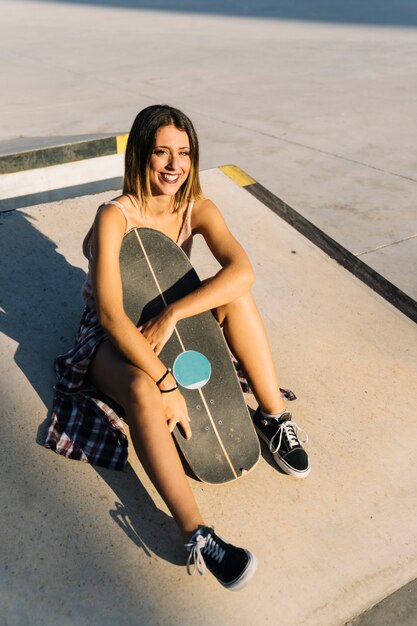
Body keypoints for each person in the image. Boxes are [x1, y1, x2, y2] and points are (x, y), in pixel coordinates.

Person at [45, 104, 309, 591]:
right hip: (112, 335)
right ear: (141, 154)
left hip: (168, 318)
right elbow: (109, 315)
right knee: (144, 393)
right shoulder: (114, 217)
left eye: (184, 153)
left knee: (238, 296)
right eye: (162, 152)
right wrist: (166, 384)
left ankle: (273, 417)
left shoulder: (198, 207)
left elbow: (242, 271)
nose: (174, 164)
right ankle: (198, 534)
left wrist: (173, 314)